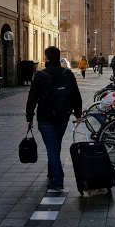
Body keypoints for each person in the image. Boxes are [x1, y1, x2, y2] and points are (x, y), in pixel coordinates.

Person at [26, 46, 82, 191]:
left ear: (47, 58)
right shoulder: (67, 73)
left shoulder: (40, 75)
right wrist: (78, 113)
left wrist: (29, 117)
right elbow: (75, 94)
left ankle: (57, 180)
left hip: (45, 117)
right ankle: (52, 173)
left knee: (52, 148)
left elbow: (32, 98)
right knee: (55, 146)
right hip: (63, 116)